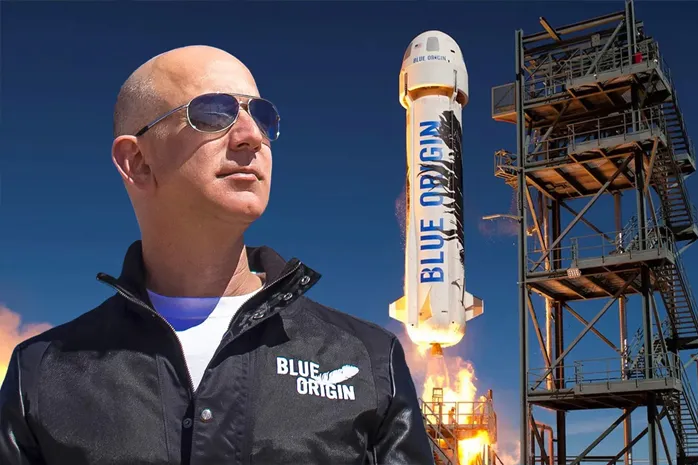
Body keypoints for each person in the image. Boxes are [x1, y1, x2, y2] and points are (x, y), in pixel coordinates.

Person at [0, 45, 434, 465]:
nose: (252, 137)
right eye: (213, 113)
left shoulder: (367, 360)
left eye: (262, 117)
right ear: (137, 161)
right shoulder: (40, 375)